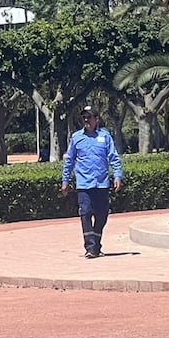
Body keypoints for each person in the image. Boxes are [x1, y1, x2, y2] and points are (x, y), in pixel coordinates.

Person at [60, 104, 123, 258]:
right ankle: (91, 247)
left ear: (97, 119)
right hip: (84, 184)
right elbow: (69, 161)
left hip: (101, 183)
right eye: (84, 117)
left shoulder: (105, 136)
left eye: (89, 117)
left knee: (102, 215)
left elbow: (113, 157)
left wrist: (118, 175)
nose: (86, 120)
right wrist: (65, 180)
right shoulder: (76, 138)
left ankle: (95, 243)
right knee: (86, 213)